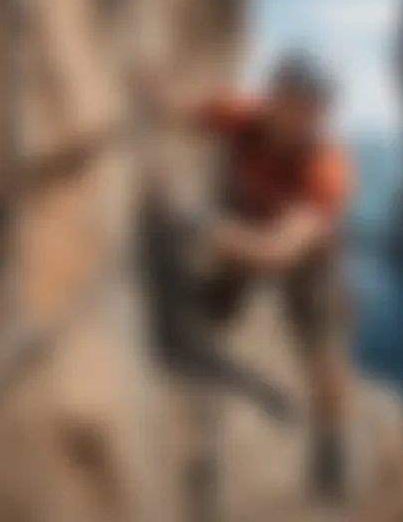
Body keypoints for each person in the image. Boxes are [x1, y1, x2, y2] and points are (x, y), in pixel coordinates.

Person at [137, 49, 355, 501]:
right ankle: (206, 325)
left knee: (321, 357)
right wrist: (151, 88)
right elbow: (178, 112)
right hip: (248, 225)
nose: (306, 119)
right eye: (298, 104)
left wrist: (197, 224)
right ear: (273, 97)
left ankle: (331, 442)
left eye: (315, 109)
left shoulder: (325, 168)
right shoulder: (242, 117)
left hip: (306, 263)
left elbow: (279, 254)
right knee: (213, 306)